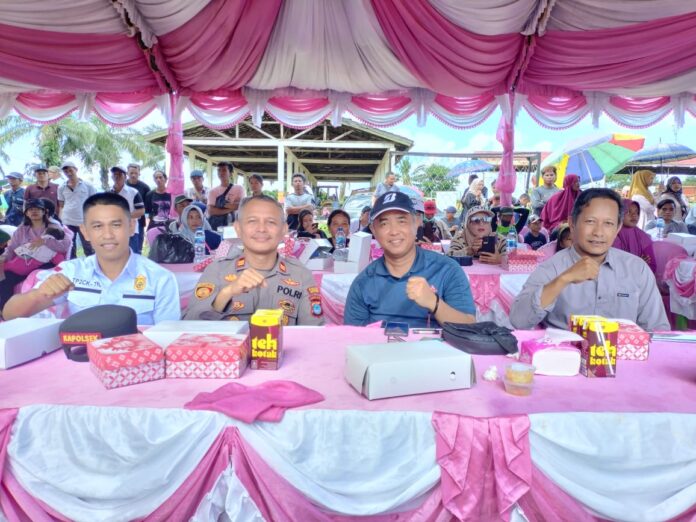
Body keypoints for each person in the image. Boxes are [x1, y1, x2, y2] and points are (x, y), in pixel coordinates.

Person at [3, 192, 180, 324]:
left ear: (131, 227)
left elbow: (167, 336)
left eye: (116, 225)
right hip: (79, 359)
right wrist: (38, 294)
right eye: (97, 226)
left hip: (137, 359)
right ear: (85, 232)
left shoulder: (160, 279)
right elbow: (10, 314)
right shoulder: (70, 272)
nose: (107, 235)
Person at [510, 188, 670, 332]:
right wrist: (563, 279)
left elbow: (657, 330)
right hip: (567, 355)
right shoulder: (552, 267)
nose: (598, 232)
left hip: (623, 355)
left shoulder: (637, 269)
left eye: (608, 223)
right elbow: (519, 321)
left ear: (618, 228)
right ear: (572, 223)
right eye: (590, 221)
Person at [183, 195, 324, 325]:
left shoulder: (301, 275)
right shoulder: (217, 270)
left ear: (284, 230)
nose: (261, 229)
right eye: (252, 221)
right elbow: (189, 326)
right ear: (238, 228)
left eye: (271, 222)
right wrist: (227, 293)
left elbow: (314, 332)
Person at [344, 192, 475, 327]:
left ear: (417, 221)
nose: (394, 231)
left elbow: (469, 326)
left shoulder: (447, 270)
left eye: (402, 221)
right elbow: (352, 335)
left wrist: (434, 302)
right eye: (384, 223)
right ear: (373, 230)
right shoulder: (363, 283)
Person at [0, 199, 73, 311]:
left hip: (46, 263)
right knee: (6, 278)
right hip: (24, 263)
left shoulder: (54, 227)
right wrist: (4, 257)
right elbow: (11, 248)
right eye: (30, 209)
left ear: (44, 211)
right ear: (26, 213)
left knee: (37, 277)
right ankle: (6, 310)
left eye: (37, 209)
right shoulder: (22, 230)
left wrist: (45, 242)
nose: (33, 211)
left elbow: (64, 246)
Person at [57, 160, 97, 258]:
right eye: (66, 171)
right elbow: (61, 205)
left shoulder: (88, 185)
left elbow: (95, 203)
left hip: (84, 221)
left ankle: (92, 265)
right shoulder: (61, 187)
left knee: (89, 246)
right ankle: (73, 265)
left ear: (76, 170)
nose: (69, 173)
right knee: (70, 247)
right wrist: (61, 220)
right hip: (68, 221)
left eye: (71, 170)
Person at [612, 199, 656, 272]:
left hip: (641, 277)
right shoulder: (612, 235)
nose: (634, 215)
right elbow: (613, 265)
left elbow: (652, 266)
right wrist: (637, 264)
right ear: (619, 214)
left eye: (637, 212)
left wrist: (638, 267)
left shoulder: (643, 237)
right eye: (629, 212)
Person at [111, 166, 145, 253]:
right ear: (112, 177)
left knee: (133, 255)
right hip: (113, 231)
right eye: (115, 175)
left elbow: (141, 211)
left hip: (130, 231)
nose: (117, 177)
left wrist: (124, 216)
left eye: (120, 175)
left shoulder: (133, 192)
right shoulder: (108, 193)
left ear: (125, 177)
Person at [207, 161, 245, 230]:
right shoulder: (212, 191)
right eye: (219, 170)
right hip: (217, 227)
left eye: (224, 170)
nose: (221, 173)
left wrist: (221, 206)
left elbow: (241, 206)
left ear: (230, 173)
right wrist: (231, 208)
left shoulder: (239, 188)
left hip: (235, 225)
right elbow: (211, 211)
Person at [126, 163, 150, 254]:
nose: (133, 175)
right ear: (127, 173)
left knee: (137, 248)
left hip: (139, 222)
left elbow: (147, 206)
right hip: (123, 221)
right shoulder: (122, 186)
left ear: (139, 173)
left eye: (135, 173)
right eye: (131, 173)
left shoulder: (145, 187)